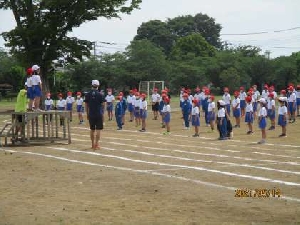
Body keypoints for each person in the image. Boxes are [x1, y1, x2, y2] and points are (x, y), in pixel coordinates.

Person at [85, 80, 105, 150]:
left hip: (91, 114)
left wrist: (87, 114)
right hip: (98, 114)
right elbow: (103, 105)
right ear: (98, 86)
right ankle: (96, 144)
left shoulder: (88, 94)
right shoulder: (100, 94)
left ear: (92, 85)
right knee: (98, 130)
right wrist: (103, 115)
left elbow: (86, 105)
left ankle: (92, 144)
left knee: (92, 129)